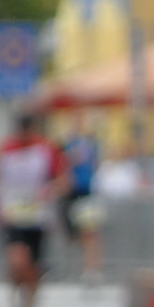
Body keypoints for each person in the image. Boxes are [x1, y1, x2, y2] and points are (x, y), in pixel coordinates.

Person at [0, 111, 69, 307]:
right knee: (17, 261)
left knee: (33, 269)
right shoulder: (4, 149)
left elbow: (63, 181)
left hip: (37, 217)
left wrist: (50, 190)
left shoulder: (47, 149)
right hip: (12, 215)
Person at [60, 117, 106, 288]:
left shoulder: (89, 145)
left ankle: (91, 269)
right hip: (72, 194)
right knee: (74, 235)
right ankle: (84, 267)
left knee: (90, 233)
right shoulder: (67, 146)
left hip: (85, 193)